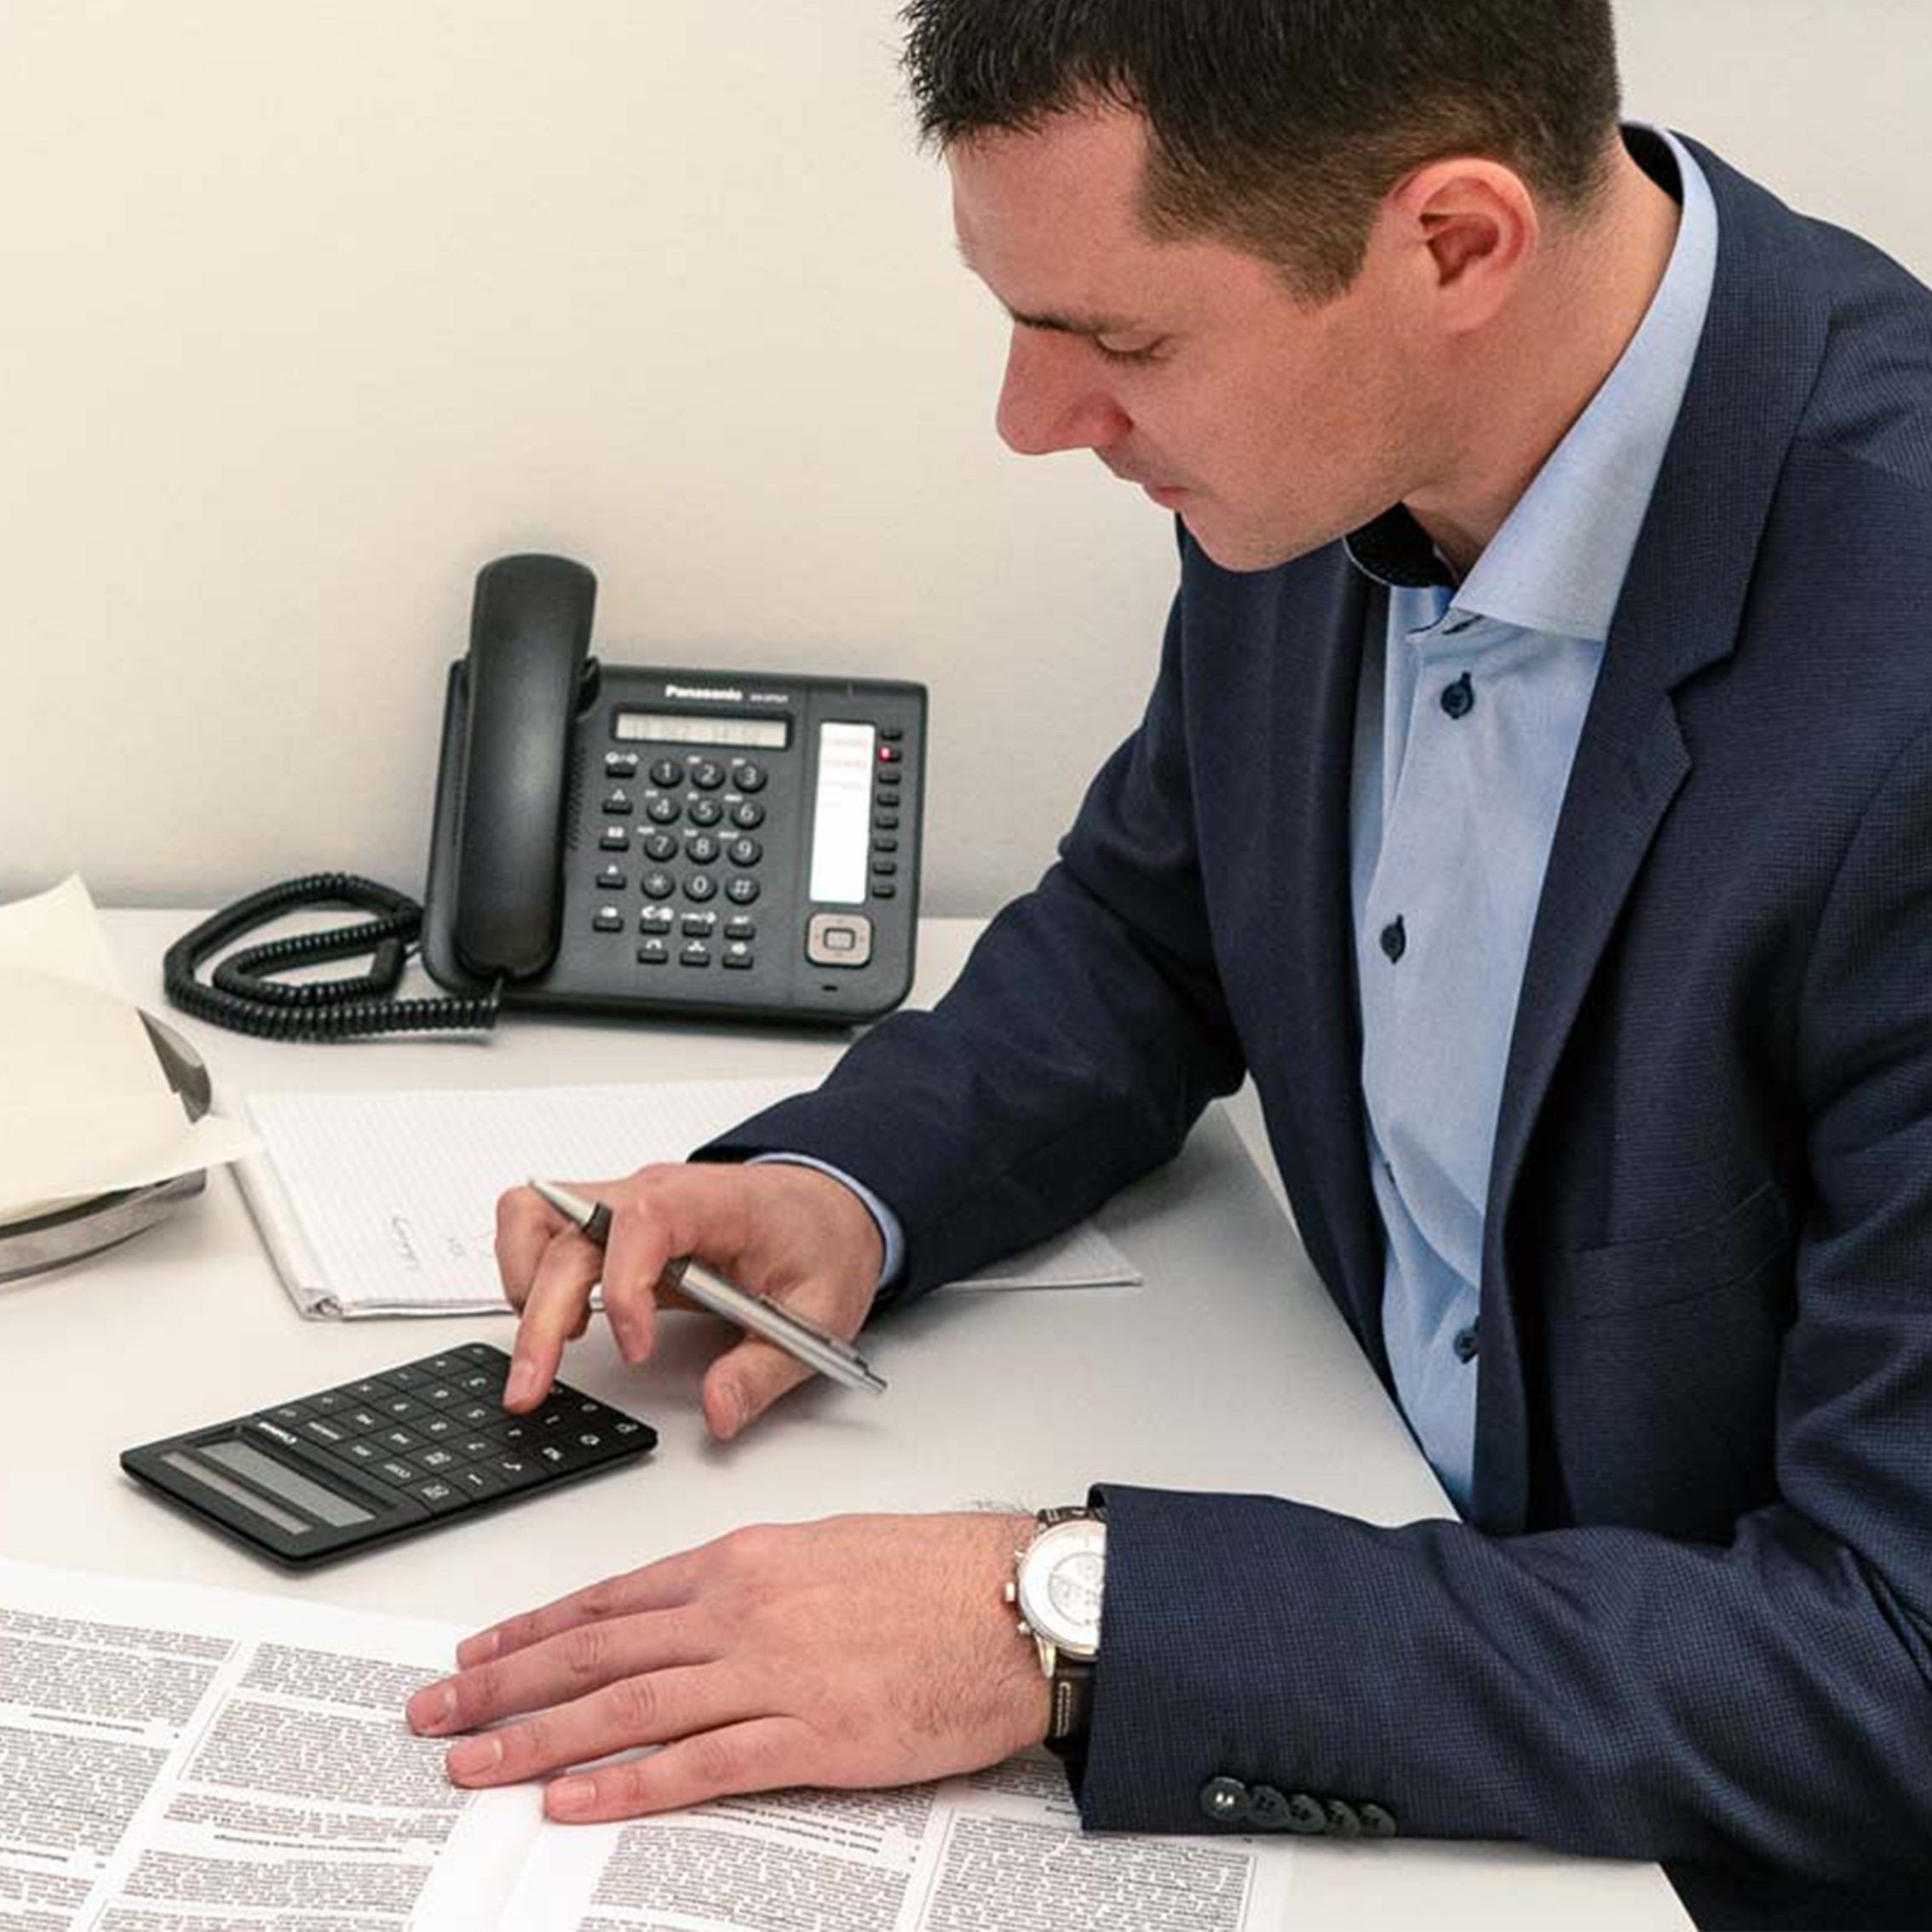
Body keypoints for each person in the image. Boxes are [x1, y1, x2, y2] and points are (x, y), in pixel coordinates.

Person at [405, 3, 1932, 1924]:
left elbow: (1893, 1658)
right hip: (1385, 1577)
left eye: (1121, 341)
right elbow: (1154, 929)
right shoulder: (1345, 441)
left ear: (1455, 245)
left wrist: (1055, 1613)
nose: (1032, 419)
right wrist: (841, 1190)